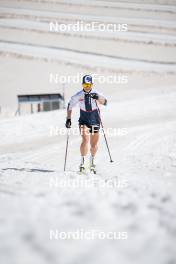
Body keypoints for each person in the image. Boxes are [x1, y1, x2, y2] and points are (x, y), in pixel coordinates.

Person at [65, 75, 107, 173]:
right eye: (85, 84)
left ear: (92, 84)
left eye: (89, 84)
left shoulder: (96, 93)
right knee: (85, 140)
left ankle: (92, 162)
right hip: (83, 119)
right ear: (82, 85)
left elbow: (105, 102)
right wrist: (68, 119)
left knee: (94, 144)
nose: (87, 86)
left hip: (95, 119)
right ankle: (82, 163)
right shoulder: (78, 95)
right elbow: (70, 106)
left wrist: (98, 98)